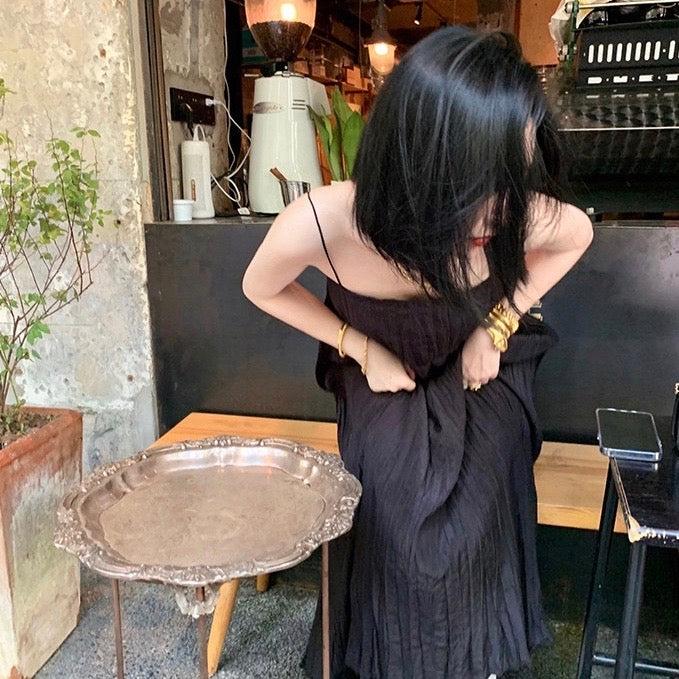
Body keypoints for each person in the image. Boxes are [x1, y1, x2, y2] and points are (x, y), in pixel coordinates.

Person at [242, 26, 593, 679]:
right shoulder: (328, 219)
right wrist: (359, 346)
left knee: (490, 474)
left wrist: (497, 324)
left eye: (515, 175)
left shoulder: (509, 210)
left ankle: (480, 652)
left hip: (477, 356)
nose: (501, 209)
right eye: (479, 181)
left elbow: (577, 232)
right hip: (379, 362)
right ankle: (387, 654)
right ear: (416, 157)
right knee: (393, 492)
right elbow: (260, 286)